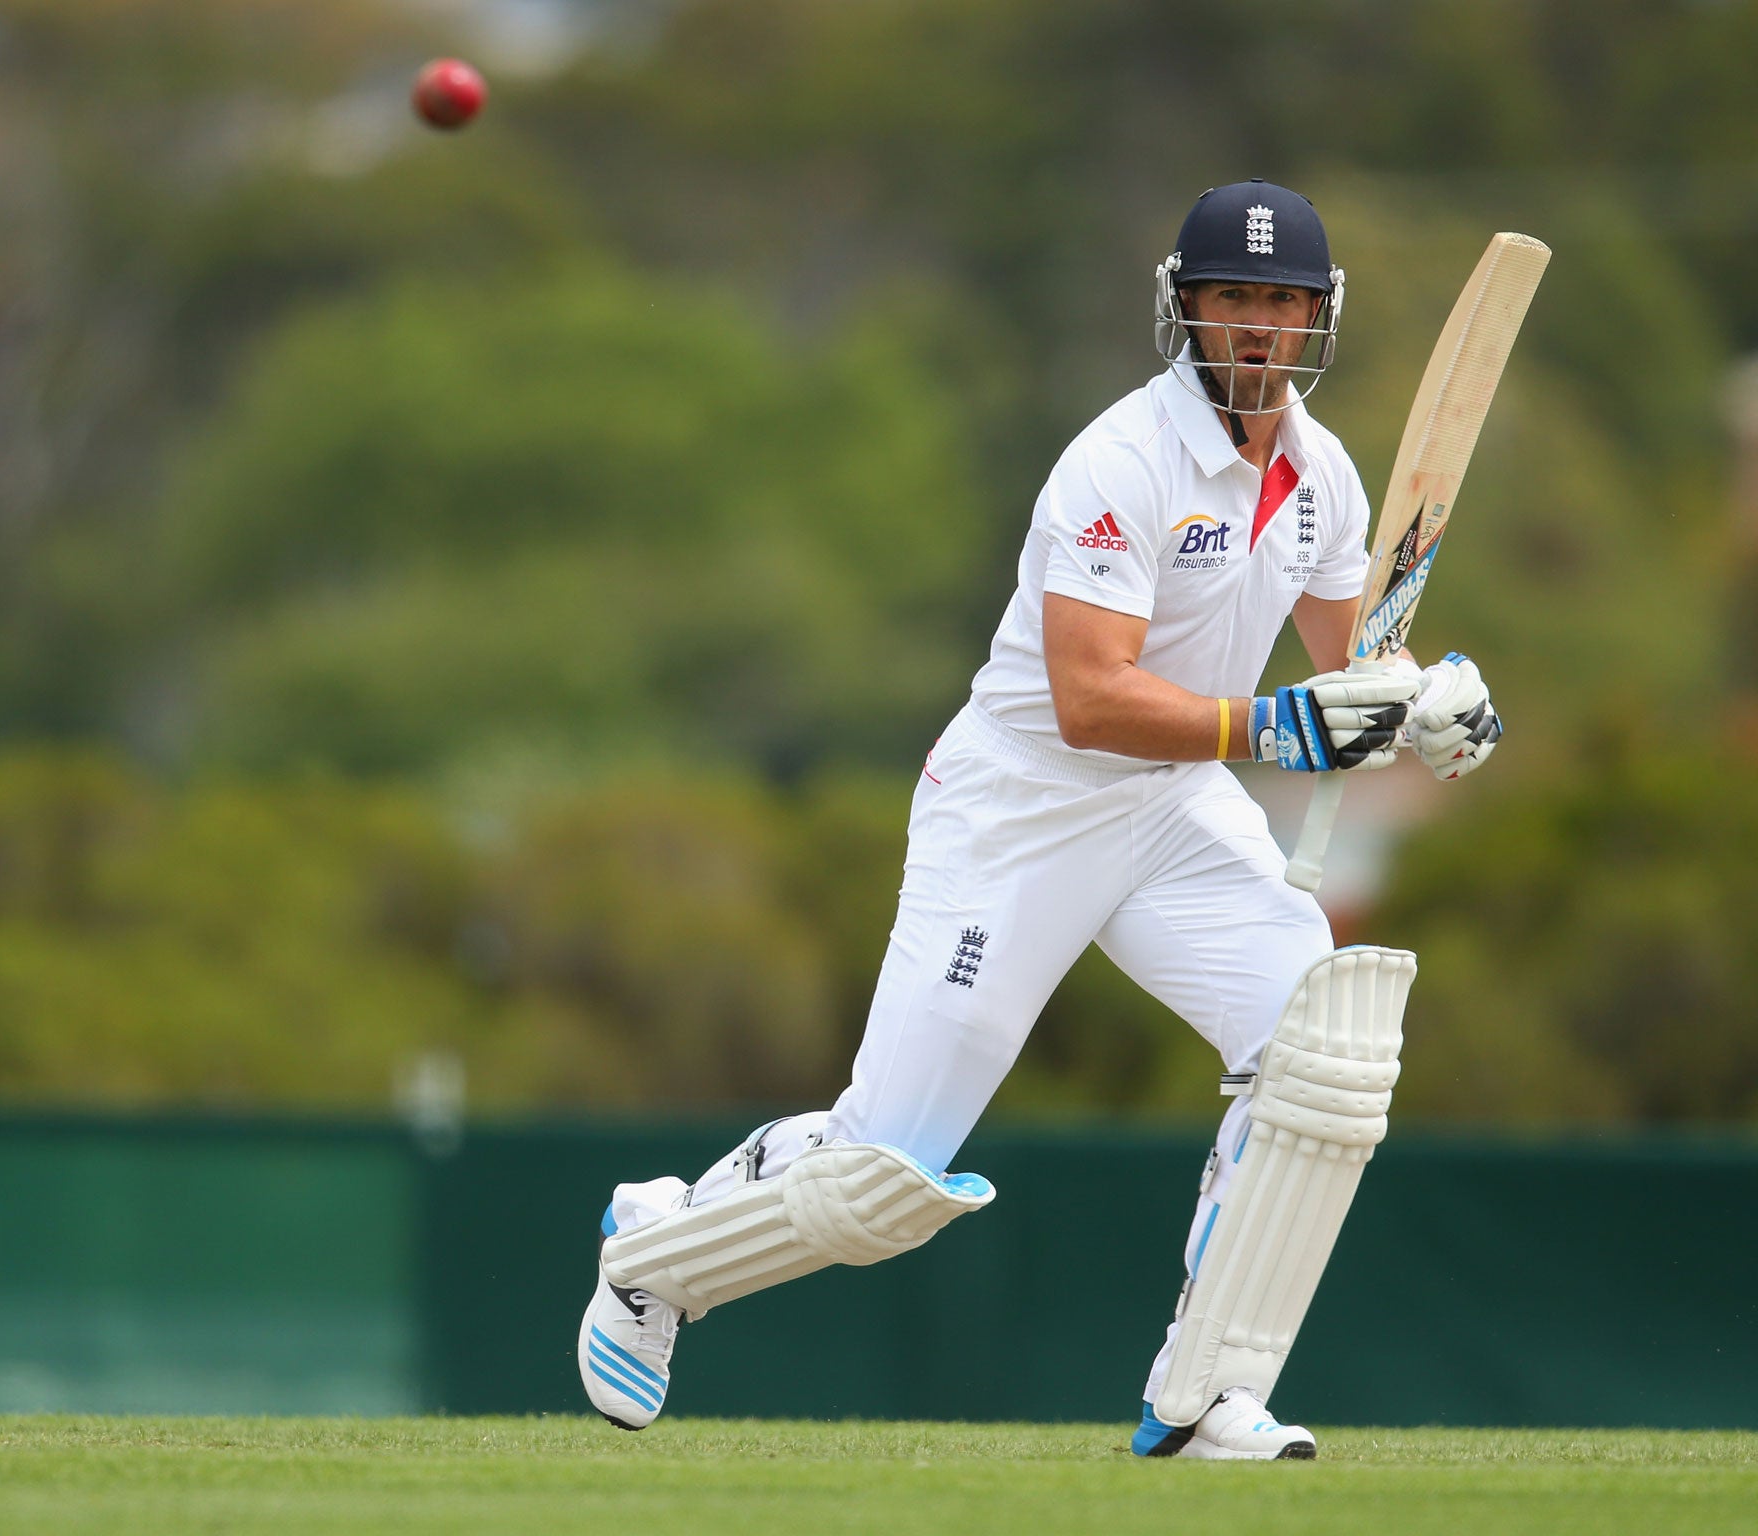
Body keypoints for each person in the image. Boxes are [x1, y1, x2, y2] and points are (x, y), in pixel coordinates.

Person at [575, 180, 1502, 1459]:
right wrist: (1272, 728)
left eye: (1279, 302)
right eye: (1230, 299)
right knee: (882, 1175)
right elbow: (1088, 699)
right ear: (1184, 311)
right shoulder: (1117, 461)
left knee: (1320, 1047)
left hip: (1170, 806)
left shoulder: (1321, 479)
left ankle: (1204, 1393)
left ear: (1315, 317)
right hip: (1019, 806)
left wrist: (1430, 708)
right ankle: (657, 1250)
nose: (1255, 327)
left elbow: (1351, 669)